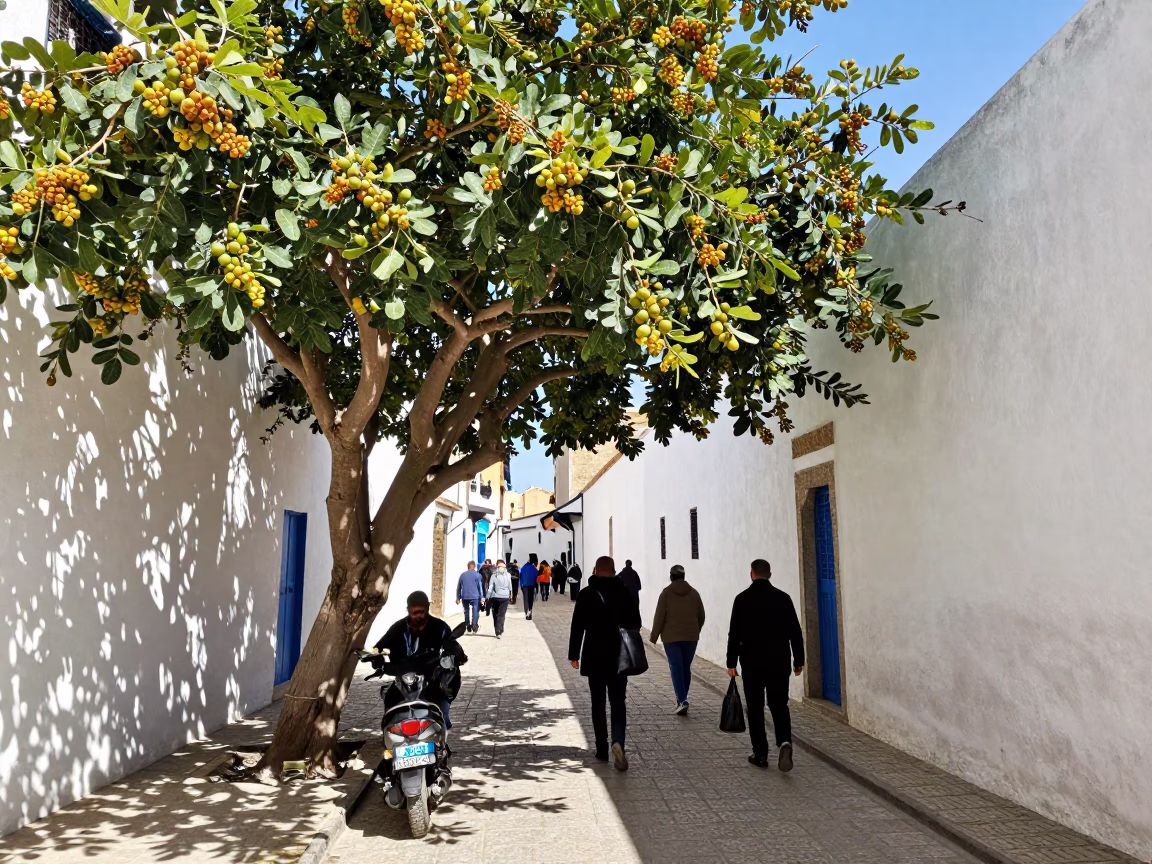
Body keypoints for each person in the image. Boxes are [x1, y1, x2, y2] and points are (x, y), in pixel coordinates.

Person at [726, 558, 805, 772]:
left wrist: (731, 662)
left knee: (755, 707)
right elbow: (795, 632)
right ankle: (784, 742)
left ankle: (760, 754)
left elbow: (734, 633)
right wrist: (799, 660)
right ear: (769, 574)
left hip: (752, 663)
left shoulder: (742, 599)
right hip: (779, 662)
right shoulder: (783, 599)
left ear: (752, 573)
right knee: (779, 704)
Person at [568, 555, 642, 772]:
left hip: (594, 656)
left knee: (597, 702)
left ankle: (601, 748)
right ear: (613, 570)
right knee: (618, 702)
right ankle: (618, 741)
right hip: (619, 657)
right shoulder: (624, 592)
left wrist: (574, 654)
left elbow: (577, 626)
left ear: (595, 570)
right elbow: (636, 622)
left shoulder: (587, 594)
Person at [375, 591, 467, 730]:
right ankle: (391, 735)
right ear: (408, 610)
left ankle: (440, 741)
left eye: (421, 612)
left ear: (427, 609)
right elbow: (380, 646)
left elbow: (453, 645)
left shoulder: (440, 628)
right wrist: (376, 656)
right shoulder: (398, 628)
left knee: (441, 712)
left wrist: (457, 653)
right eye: (414, 612)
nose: (418, 616)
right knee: (390, 699)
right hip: (405, 678)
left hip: (432, 679)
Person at [649, 564, 706, 716]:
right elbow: (701, 615)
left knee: (676, 667)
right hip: (690, 637)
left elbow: (660, 616)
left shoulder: (666, 593)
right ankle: (683, 698)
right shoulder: (694, 593)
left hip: (671, 638)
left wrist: (654, 636)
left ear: (671, 576)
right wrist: (695, 630)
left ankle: (682, 700)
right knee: (685, 667)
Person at [486, 559, 513, 638]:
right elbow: (510, 586)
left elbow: (490, 588)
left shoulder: (494, 575)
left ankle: (497, 630)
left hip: (495, 597)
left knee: (495, 614)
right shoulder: (508, 575)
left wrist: (487, 597)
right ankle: (500, 629)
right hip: (505, 597)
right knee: (502, 614)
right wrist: (511, 594)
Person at [456, 561, 484, 634]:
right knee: (475, 611)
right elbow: (480, 587)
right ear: (474, 567)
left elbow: (459, 587)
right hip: (475, 596)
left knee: (466, 611)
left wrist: (458, 598)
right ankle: (474, 627)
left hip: (465, 596)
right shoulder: (478, 575)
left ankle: (468, 626)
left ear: (468, 566)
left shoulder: (462, 575)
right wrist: (482, 597)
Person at [519, 554, 539, 620]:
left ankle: (527, 613)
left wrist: (521, 585)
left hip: (524, 585)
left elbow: (521, 576)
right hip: (531, 585)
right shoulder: (533, 568)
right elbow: (536, 577)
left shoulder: (523, 567)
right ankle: (529, 612)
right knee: (530, 600)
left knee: (526, 600)